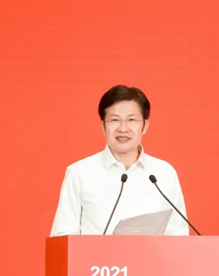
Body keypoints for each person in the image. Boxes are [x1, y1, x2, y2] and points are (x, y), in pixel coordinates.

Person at [49, 85, 190, 236]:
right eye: (114, 120)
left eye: (132, 119)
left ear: (144, 126)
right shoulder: (79, 173)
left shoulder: (164, 173)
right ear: (103, 126)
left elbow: (178, 234)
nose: (123, 128)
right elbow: (63, 235)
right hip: (96, 253)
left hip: (152, 253)